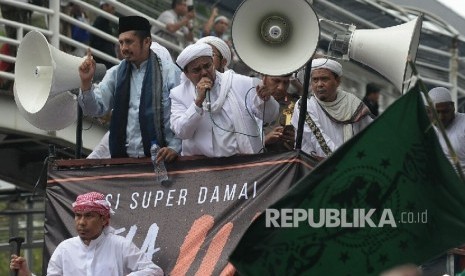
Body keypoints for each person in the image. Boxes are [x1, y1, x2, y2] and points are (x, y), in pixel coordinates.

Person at [78, 15, 181, 161]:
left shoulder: (171, 73)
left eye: (129, 42)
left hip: (161, 161)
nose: (124, 48)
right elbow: (95, 109)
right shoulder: (115, 74)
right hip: (123, 162)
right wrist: (86, 83)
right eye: (121, 43)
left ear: (147, 42)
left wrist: (175, 147)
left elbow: (181, 113)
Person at [170, 43, 279, 157]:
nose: (204, 72)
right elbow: (181, 132)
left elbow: (271, 116)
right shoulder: (178, 94)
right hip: (202, 166)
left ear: (213, 63)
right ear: (186, 74)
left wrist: (266, 100)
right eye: (196, 70)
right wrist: (197, 103)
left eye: (207, 66)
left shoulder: (241, 83)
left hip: (242, 162)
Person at [45, 191, 163, 275]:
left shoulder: (120, 245)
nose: (81, 222)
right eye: (78, 216)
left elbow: (155, 271)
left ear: (104, 219)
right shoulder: (65, 249)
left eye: (89, 216)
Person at [291, 58, 372, 160]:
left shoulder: (352, 103)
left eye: (324, 79)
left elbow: (372, 133)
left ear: (337, 81)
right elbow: (319, 141)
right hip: (313, 168)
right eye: (315, 80)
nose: (319, 84)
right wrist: (345, 162)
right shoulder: (304, 105)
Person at [427, 87, 465, 175]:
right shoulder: (426, 130)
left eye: (445, 112)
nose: (441, 117)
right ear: (428, 111)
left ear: (453, 107)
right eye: (436, 112)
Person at [261, 74, 298, 152]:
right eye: (276, 81)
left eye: (285, 83)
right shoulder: (247, 100)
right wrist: (264, 140)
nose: (281, 87)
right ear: (264, 78)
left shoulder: (296, 105)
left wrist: (297, 140)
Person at [89, 0, 118, 69]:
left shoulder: (104, 22)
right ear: (104, 6)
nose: (113, 11)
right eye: (112, 7)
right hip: (102, 63)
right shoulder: (101, 22)